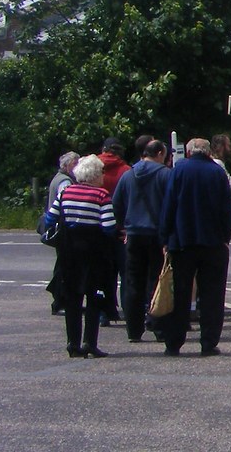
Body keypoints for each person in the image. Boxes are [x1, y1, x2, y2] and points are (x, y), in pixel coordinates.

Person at [159, 137, 231, 357]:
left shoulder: (179, 171)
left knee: (180, 293)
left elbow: (169, 206)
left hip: (183, 243)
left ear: (190, 152)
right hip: (212, 243)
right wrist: (225, 236)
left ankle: (174, 342)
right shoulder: (217, 173)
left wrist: (165, 237)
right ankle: (208, 342)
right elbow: (226, 209)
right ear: (208, 152)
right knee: (212, 295)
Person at [44, 154, 118, 358]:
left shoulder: (66, 192)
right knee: (93, 298)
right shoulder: (101, 195)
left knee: (72, 299)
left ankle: (72, 342)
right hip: (93, 252)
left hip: (69, 251)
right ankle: (89, 342)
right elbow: (109, 227)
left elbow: (50, 218)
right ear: (95, 175)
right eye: (102, 172)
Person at [111, 139, 171, 343]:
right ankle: (158, 326)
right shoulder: (165, 175)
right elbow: (172, 205)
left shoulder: (128, 175)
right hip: (157, 235)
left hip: (134, 234)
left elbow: (117, 204)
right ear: (160, 153)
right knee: (157, 281)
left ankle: (133, 329)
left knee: (133, 282)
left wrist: (123, 227)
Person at [98, 136, 131, 322]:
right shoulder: (126, 171)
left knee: (104, 272)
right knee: (126, 273)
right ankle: (128, 311)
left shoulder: (92, 167)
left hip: (99, 229)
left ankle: (104, 311)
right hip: (121, 229)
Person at [45, 151, 79, 315]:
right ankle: (60, 300)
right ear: (66, 166)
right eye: (74, 164)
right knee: (63, 267)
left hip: (58, 228)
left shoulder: (57, 178)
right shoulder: (65, 182)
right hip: (63, 230)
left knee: (61, 265)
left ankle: (59, 299)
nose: (77, 167)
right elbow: (65, 204)